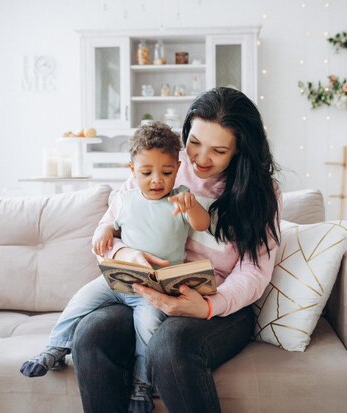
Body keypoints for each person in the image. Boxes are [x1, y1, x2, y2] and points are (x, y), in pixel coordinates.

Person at [73, 87, 281, 413]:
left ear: (239, 152)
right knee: (91, 334)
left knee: (169, 347)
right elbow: (106, 234)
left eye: (218, 151)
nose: (199, 158)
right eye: (194, 142)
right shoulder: (164, 165)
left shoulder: (260, 192)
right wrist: (127, 255)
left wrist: (209, 307)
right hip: (144, 295)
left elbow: (254, 270)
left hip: (218, 305)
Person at [20, 122, 210, 413]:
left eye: (167, 172)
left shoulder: (179, 198)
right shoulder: (125, 199)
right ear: (132, 169)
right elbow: (111, 223)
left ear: (178, 167)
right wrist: (104, 230)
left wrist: (192, 205)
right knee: (80, 301)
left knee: (148, 329)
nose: (157, 180)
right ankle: (55, 347)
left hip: (153, 290)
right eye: (147, 173)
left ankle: (141, 383)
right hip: (119, 280)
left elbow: (202, 224)